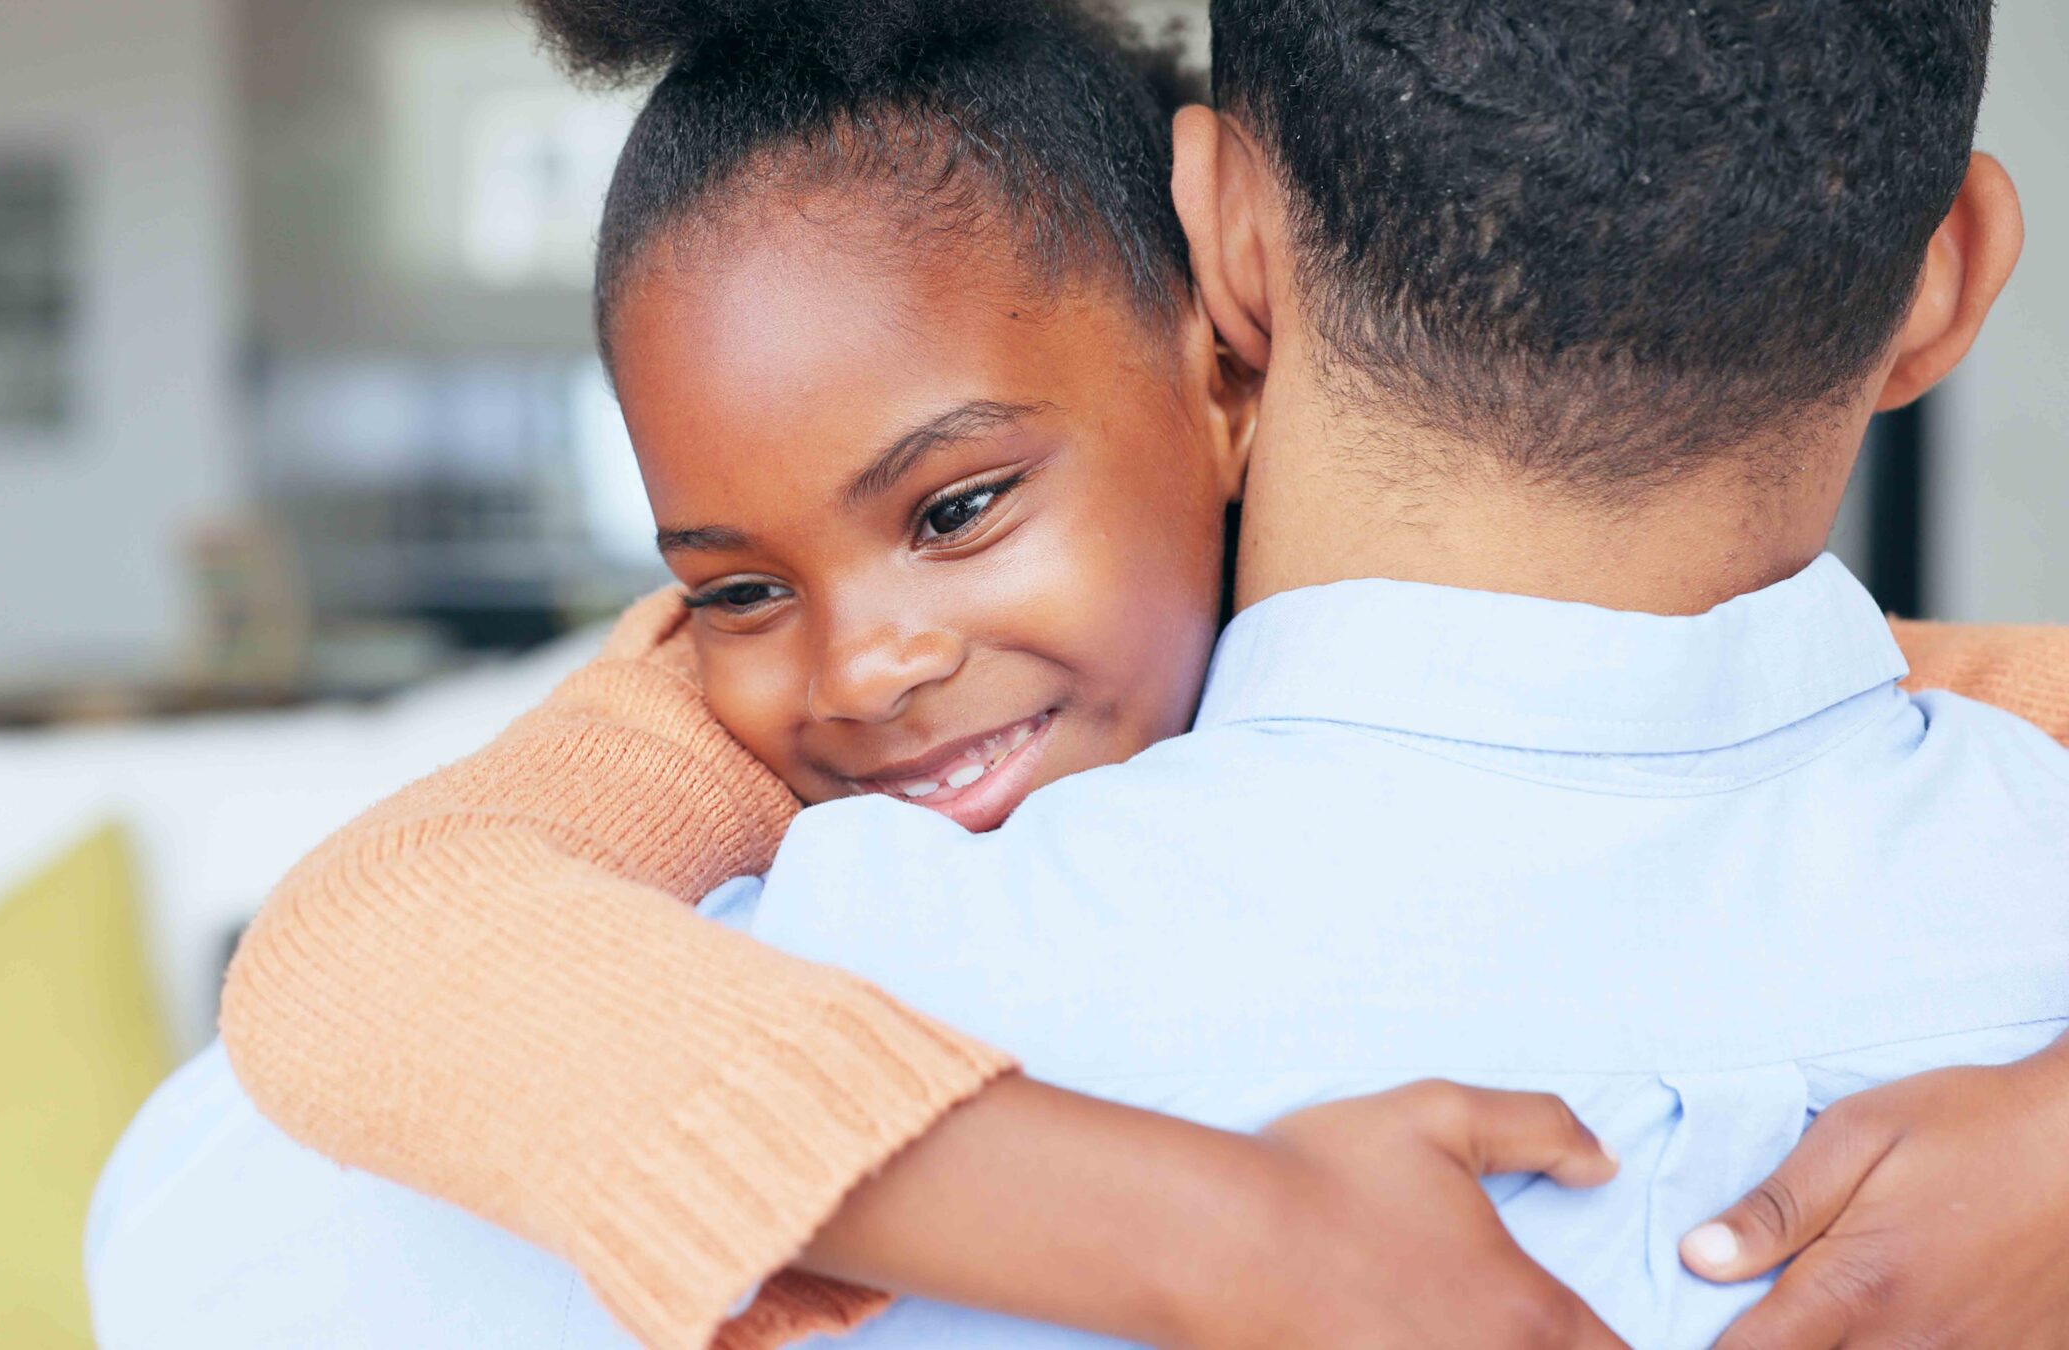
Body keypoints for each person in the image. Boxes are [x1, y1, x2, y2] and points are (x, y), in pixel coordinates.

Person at [101, 0, 2069, 1346]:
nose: (869, 663)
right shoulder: (2013, 896)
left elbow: (189, 1226)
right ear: (1950, 278)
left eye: (951, 508)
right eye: (730, 594)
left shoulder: (751, 1006)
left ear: (1218, 257)